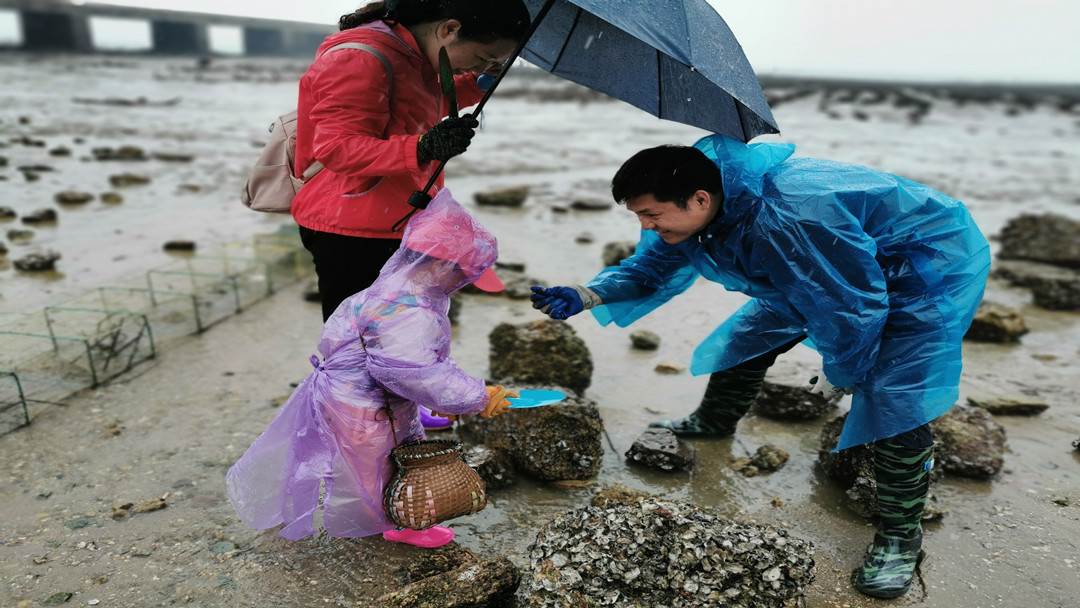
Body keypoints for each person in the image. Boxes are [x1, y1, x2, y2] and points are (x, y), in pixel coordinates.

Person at [530, 134, 991, 599]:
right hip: (823, 270)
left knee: (893, 399)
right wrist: (587, 294)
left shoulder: (792, 217)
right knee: (746, 338)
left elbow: (853, 304)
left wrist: (842, 370)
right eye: (639, 217)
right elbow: (649, 269)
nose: (647, 226)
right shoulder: (699, 211)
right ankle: (714, 421)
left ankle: (899, 535)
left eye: (651, 215)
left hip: (921, 268)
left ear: (700, 199)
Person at [227, 188, 518, 549]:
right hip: (364, 409)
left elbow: (371, 354)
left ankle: (394, 519)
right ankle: (395, 526)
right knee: (377, 469)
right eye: (465, 275)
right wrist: (476, 395)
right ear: (441, 265)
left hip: (360, 398)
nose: (464, 284)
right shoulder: (410, 311)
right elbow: (414, 371)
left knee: (388, 459)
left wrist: (434, 397)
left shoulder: (389, 292)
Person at [292, 0, 532, 322]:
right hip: (351, 230)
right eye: (482, 58)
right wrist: (423, 147)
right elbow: (338, 148)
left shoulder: (416, 56)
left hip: (401, 221)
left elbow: (421, 100)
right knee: (358, 345)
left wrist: (480, 82)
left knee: (397, 342)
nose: (481, 66)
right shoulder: (359, 57)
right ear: (450, 29)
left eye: (493, 62)